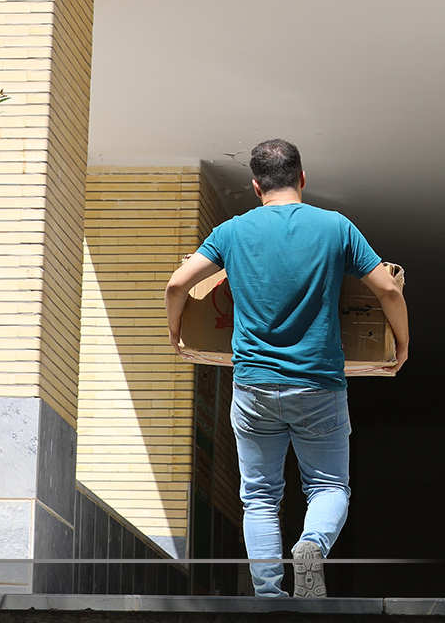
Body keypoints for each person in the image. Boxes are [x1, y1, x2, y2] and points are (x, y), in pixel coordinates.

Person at [166, 139, 410, 598]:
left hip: (254, 387)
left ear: (256, 186)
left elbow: (178, 284)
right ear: (302, 178)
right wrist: (402, 344)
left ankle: (269, 596)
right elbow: (389, 290)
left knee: (260, 497)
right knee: (329, 487)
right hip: (319, 385)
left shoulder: (232, 232)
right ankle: (312, 544)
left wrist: (177, 335)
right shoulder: (336, 228)